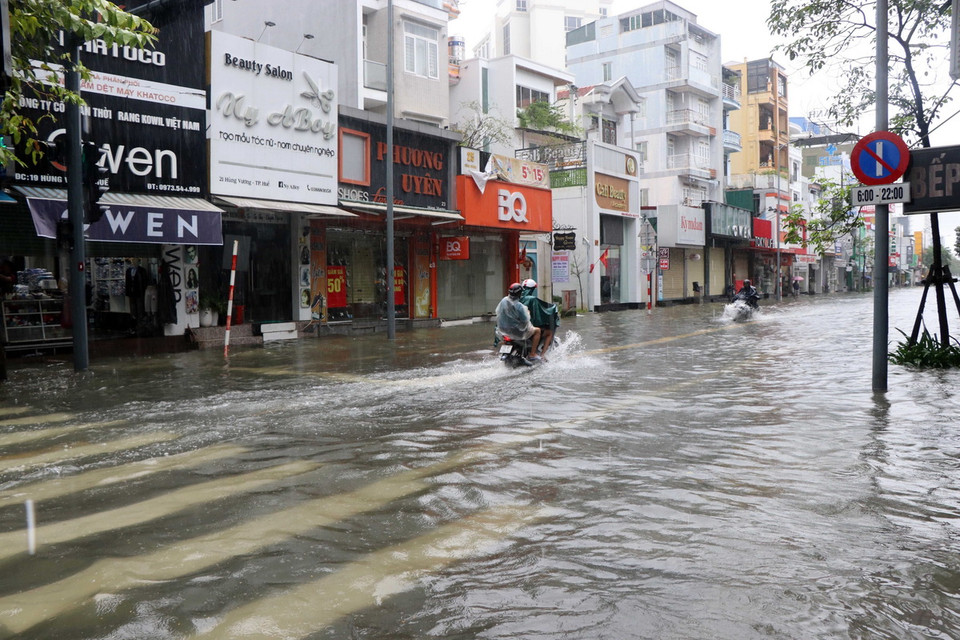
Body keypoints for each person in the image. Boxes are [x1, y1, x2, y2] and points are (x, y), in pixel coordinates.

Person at [496, 282, 542, 364]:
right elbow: (525, 320)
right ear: (520, 293)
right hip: (516, 331)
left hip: (503, 330)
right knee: (537, 330)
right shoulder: (519, 306)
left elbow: (498, 312)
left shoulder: (503, 300)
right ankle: (532, 354)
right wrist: (528, 312)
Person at [519, 278, 560, 359]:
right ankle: (541, 355)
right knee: (549, 333)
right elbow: (543, 310)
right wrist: (553, 309)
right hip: (525, 328)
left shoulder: (513, 299)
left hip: (514, 328)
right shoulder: (532, 299)